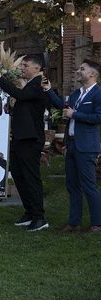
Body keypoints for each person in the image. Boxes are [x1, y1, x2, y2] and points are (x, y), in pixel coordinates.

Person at [0, 54, 49, 232]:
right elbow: (24, 102)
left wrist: (1, 80)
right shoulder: (30, 85)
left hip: (31, 139)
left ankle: (39, 217)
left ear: (37, 69)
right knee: (17, 173)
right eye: (22, 65)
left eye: (26, 65)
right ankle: (29, 211)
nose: (22, 68)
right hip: (20, 137)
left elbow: (22, 96)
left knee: (31, 177)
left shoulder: (40, 84)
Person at [44, 60, 101, 233]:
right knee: (72, 185)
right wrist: (48, 90)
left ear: (92, 74)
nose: (78, 71)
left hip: (86, 147)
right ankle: (73, 223)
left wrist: (75, 114)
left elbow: (98, 117)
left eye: (82, 69)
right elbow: (63, 107)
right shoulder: (77, 94)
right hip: (72, 145)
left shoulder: (98, 94)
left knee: (89, 186)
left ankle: (97, 224)